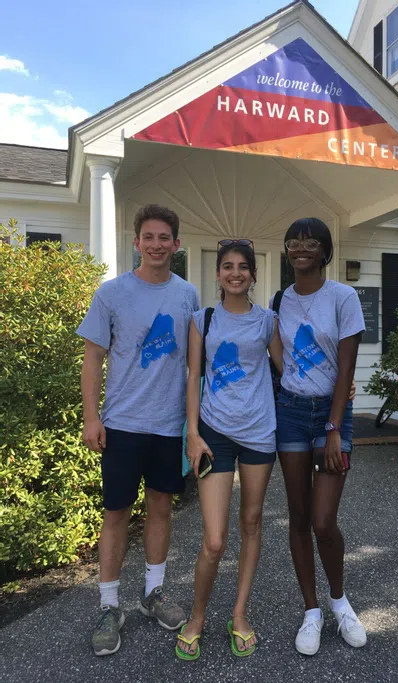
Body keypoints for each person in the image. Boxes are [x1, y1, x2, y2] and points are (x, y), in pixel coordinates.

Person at [77, 204, 199, 656]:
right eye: (148, 236)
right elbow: (93, 359)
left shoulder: (187, 294)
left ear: (176, 244)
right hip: (123, 424)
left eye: (164, 237)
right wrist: (92, 418)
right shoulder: (111, 294)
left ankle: (153, 594)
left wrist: (192, 424)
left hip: (167, 426)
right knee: (116, 514)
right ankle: (110, 607)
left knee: (161, 509)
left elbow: (193, 366)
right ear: (136, 242)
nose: (156, 244)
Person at [175, 239, 282, 661]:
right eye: (227, 266)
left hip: (259, 434)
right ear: (217, 274)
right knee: (215, 540)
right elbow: (193, 376)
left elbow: (287, 370)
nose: (235, 273)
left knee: (251, 523)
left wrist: (336, 391)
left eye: (243, 267)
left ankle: (239, 613)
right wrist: (193, 433)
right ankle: (197, 617)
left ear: (253, 274)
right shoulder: (202, 318)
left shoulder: (267, 322)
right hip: (214, 433)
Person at [273, 217, 367, 656]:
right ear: (287, 250)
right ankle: (311, 610)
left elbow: (346, 366)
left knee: (323, 521)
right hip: (291, 413)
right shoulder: (280, 301)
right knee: (297, 515)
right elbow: (274, 358)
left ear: (325, 250)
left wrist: (334, 426)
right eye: (294, 242)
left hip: (332, 416)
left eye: (311, 242)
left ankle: (339, 600)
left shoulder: (343, 297)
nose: (301, 248)